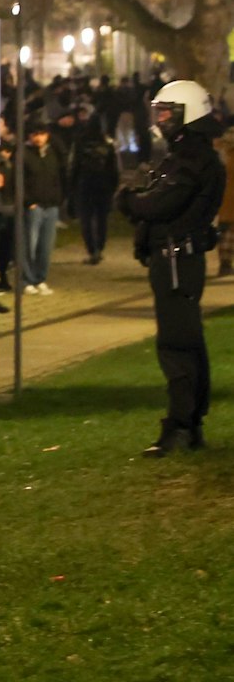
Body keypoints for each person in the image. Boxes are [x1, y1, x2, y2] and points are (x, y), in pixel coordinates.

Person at [117, 80, 226, 457]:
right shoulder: (186, 154)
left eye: (167, 112)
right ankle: (190, 422)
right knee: (187, 343)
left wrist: (128, 199)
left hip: (178, 261)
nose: (161, 119)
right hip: (174, 259)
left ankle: (180, 425)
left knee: (177, 345)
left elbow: (159, 205)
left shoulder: (193, 159)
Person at [21, 121, 65, 294]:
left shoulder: (52, 153)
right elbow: (21, 181)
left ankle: (40, 278)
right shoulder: (24, 154)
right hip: (34, 205)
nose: (38, 138)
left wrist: (58, 198)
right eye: (34, 134)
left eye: (41, 134)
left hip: (51, 205)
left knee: (46, 245)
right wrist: (28, 202)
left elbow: (58, 176)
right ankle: (27, 279)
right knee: (29, 244)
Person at [75, 119, 122, 267]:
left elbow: (74, 167)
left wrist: (72, 187)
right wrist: (114, 187)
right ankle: (99, 248)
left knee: (86, 220)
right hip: (104, 187)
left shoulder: (80, 144)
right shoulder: (107, 145)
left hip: (85, 186)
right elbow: (114, 170)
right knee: (102, 219)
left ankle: (91, 249)